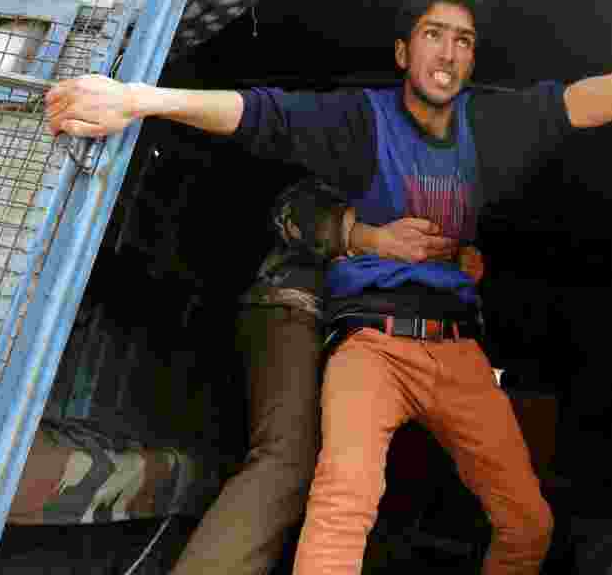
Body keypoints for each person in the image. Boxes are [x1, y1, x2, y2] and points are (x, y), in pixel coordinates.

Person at [46, 0, 612, 575]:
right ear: (405, 51)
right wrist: (139, 99)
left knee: (528, 526)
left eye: (463, 41)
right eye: (433, 36)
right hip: (366, 348)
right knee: (340, 508)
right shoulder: (357, 124)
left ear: (473, 59)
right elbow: (260, 113)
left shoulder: (492, 126)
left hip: (459, 354)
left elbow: (578, 104)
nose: (448, 53)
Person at [168, 174, 468, 575]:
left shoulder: (454, 189)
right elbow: (290, 212)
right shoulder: (372, 145)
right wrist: (370, 239)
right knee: (289, 462)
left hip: (367, 345)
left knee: (355, 483)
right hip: (299, 309)